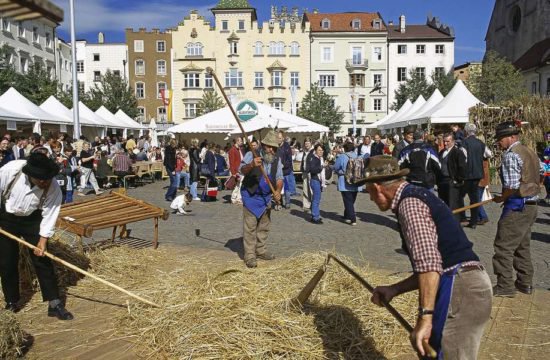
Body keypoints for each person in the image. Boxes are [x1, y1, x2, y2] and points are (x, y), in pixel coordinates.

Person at [361, 155, 491, 359]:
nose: (369, 198)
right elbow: (435, 267)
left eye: (368, 191)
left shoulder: (410, 204)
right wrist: (394, 289)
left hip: (461, 289)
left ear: (377, 187)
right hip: (463, 284)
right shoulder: (417, 195)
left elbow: (429, 266)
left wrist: (425, 318)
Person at [0, 152, 74, 320]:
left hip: (32, 219)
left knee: (42, 259)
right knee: (7, 261)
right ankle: (12, 301)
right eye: (41, 180)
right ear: (30, 175)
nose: (45, 182)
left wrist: (43, 241)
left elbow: (50, 213)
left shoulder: (52, 185)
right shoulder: (9, 171)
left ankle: (54, 303)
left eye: (47, 179)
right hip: (7, 218)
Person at [492, 121, 542, 297]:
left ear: (512, 137)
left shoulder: (511, 155)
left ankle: (505, 286)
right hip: (532, 205)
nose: (499, 142)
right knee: (522, 245)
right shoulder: (530, 152)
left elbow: (512, 186)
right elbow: (541, 172)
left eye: (501, 138)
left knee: (503, 246)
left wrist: (501, 197)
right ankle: (524, 283)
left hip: (518, 206)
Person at [239, 129, 283, 268]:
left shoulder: (276, 159)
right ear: (266, 146)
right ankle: (250, 255)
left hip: (265, 197)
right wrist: (251, 165)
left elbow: (279, 178)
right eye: (272, 148)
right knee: (250, 227)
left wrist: (278, 191)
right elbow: (241, 170)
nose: (273, 151)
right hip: (251, 196)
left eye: (275, 149)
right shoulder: (251, 154)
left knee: (264, 226)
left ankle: (261, 250)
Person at [459, 123, 486, 229]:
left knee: (460, 196)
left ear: (466, 132)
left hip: (467, 174)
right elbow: (488, 154)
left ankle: (462, 217)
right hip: (478, 173)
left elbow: (463, 158)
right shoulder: (481, 143)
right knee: (474, 198)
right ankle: (474, 221)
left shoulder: (464, 143)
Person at [437, 133, 467, 222]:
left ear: (453, 141)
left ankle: (455, 223)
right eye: (444, 141)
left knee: (453, 204)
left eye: (448, 141)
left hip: (452, 181)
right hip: (442, 182)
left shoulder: (457, 152)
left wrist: (457, 179)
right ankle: (446, 222)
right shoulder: (442, 152)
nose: (445, 143)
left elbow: (462, 168)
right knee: (443, 203)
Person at [334, 142, 362, 225]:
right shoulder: (357, 156)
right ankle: (347, 215)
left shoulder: (342, 156)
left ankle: (352, 219)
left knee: (348, 201)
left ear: (345, 148)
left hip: (345, 181)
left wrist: (339, 171)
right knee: (351, 200)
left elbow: (336, 167)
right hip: (356, 181)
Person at [307, 144, 325, 224]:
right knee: (316, 199)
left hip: (317, 180)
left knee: (316, 199)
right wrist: (321, 167)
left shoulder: (319, 158)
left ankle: (315, 215)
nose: (321, 152)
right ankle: (315, 217)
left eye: (322, 150)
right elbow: (313, 169)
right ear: (315, 150)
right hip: (315, 180)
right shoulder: (314, 158)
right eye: (319, 150)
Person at [277, 131, 294, 209]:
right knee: (278, 187)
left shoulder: (287, 147)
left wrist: (284, 165)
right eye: (277, 138)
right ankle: (279, 202)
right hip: (277, 171)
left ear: (283, 138)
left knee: (286, 188)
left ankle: (287, 202)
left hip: (286, 170)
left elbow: (289, 160)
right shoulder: (275, 146)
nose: (278, 139)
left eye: (280, 138)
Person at [228, 137, 244, 205]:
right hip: (237, 170)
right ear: (237, 141)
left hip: (240, 170)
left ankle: (236, 198)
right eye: (241, 141)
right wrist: (233, 172)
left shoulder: (239, 149)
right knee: (238, 184)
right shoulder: (232, 150)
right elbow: (231, 162)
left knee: (239, 184)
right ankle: (235, 198)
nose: (242, 142)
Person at [300, 137, 313, 213]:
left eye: (308, 143)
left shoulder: (313, 152)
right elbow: (303, 161)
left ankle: (312, 203)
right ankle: (306, 205)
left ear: (311, 144)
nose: (307, 144)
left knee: (311, 189)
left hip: (311, 172)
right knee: (305, 188)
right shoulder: (305, 152)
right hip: (305, 172)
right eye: (305, 143)